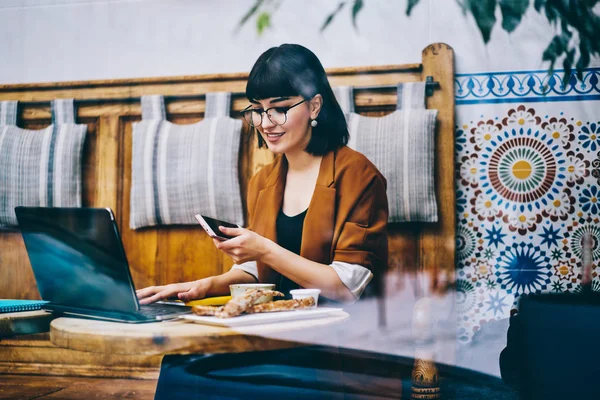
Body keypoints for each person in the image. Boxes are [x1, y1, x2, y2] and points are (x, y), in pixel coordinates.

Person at [136, 43, 388, 305]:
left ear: (314, 106)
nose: (266, 123)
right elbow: (259, 272)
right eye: (257, 110)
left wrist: (264, 249)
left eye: (280, 108)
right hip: (276, 326)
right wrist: (203, 286)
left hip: (339, 335)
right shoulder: (262, 181)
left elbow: (345, 287)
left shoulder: (359, 175)